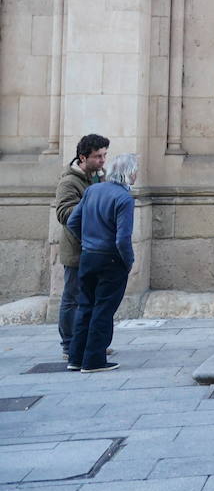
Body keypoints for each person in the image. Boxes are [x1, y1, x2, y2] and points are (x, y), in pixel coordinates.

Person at [65, 152, 136, 374]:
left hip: (88, 256)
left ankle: (76, 357)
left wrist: (87, 241)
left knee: (86, 306)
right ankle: (94, 360)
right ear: (130, 173)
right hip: (110, 260)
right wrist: (128, 261)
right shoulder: (124, 198)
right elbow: (122, 238)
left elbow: (73, 222)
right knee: (103, 310)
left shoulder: (92, 191)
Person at [53, 133, 108, 361]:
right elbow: (64, 214)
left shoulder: (98, 178)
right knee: (73, 298)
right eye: (97, 156)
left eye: (104, 155)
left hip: (96, 248)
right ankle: (69, 345)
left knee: (94, 298)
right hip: (77, 250)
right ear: (83, 158)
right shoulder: (69, 182)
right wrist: (91, 203)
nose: (102, 161)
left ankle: (89, 342)